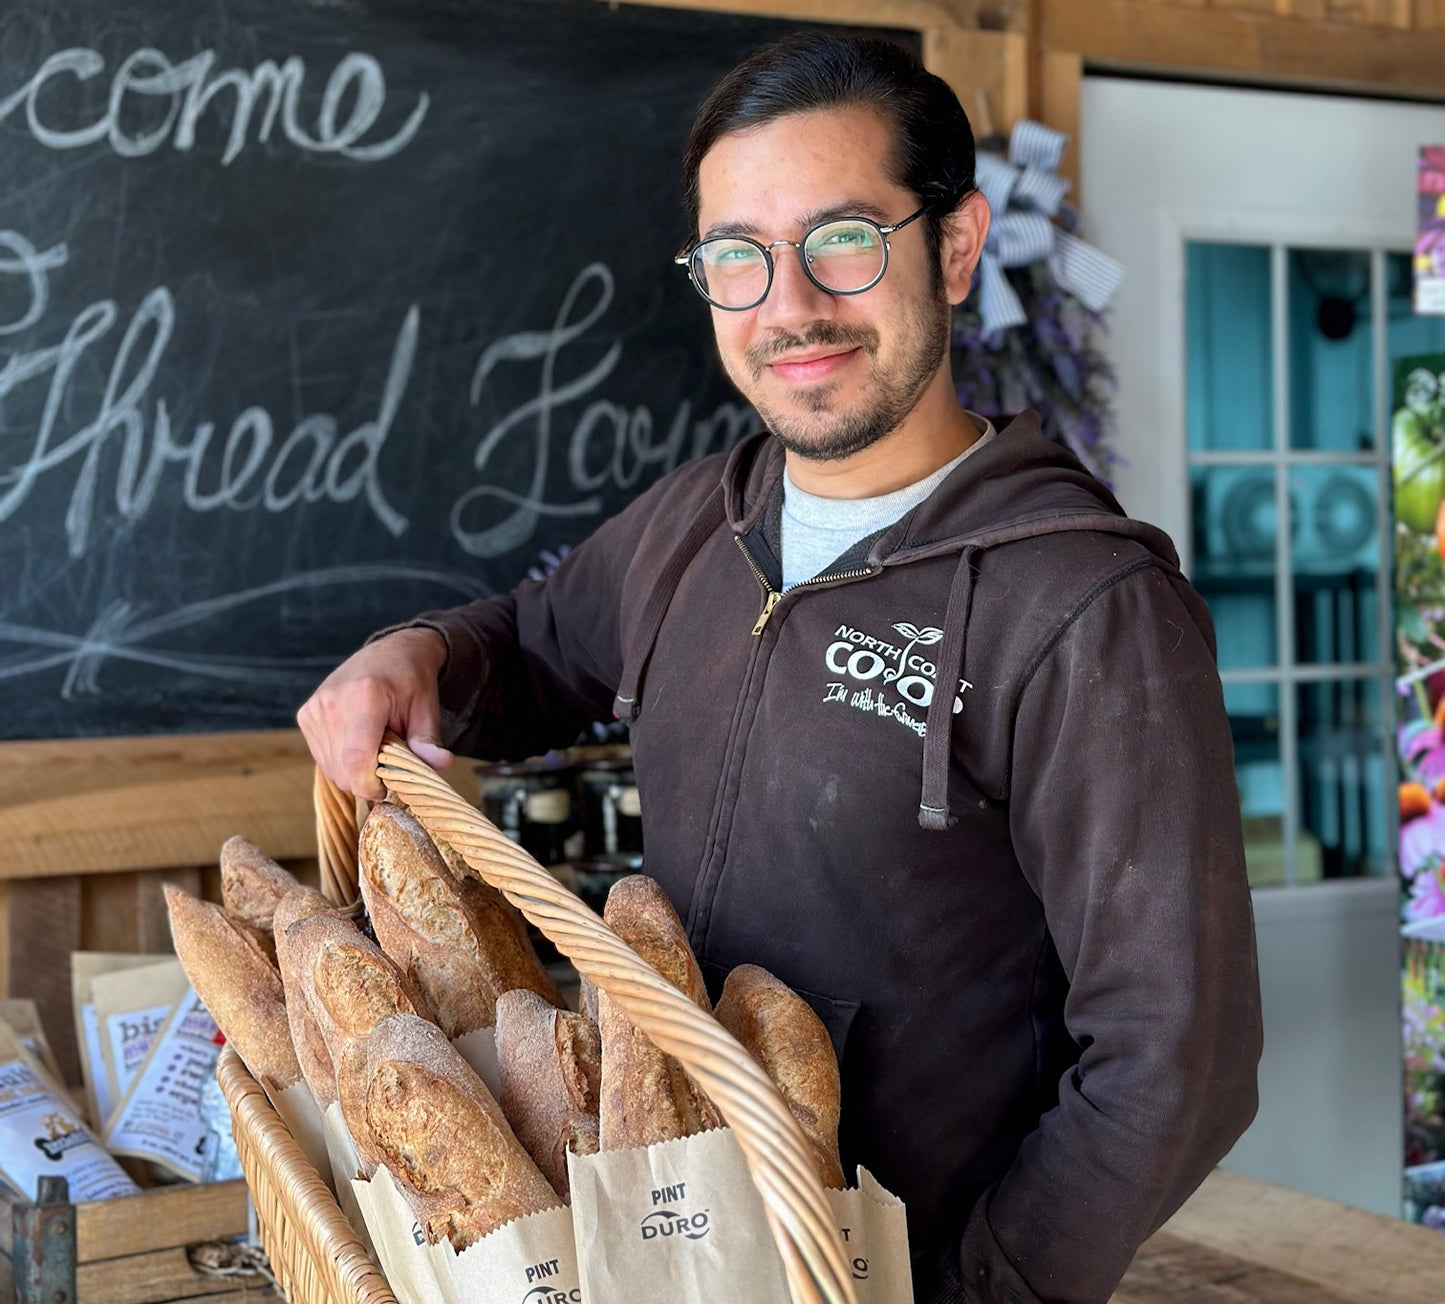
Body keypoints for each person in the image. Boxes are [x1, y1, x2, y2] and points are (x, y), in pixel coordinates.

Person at [299, 33, 1262, 1304]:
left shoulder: (1083, 606)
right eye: (737, 258)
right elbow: (537, 637)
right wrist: (408, 651)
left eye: (844, 239)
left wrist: (984, 1288)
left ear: (955, 246)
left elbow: (1173, 1058)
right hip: (681, 1248)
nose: (789, 305)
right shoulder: (703, 519)